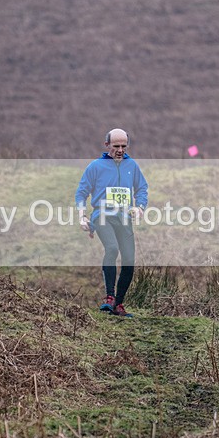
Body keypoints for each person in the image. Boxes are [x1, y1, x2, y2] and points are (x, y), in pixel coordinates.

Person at [76, 129, 149, 317]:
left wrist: (139, 207)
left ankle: (118, 303)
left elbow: (142, 188)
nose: (120, 150)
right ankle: (108, 297)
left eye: (124, 146)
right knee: (111, 248)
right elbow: (82, 192)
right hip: (102, 215)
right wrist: (82, 216)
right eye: (116, 146)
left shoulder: (131, 165)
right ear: (106, 145)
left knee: (129, 261)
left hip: (124, 218)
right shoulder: (95, 166)